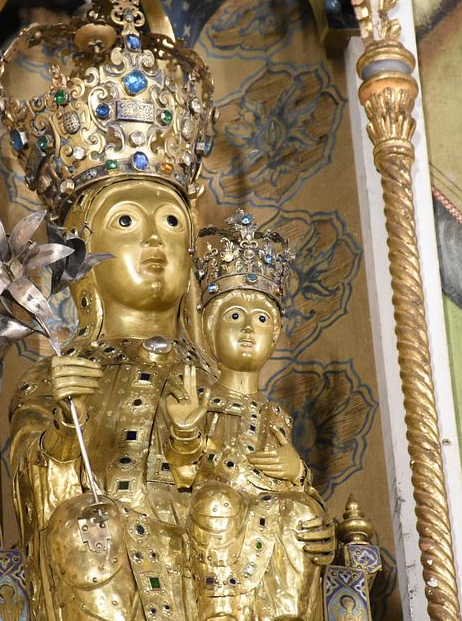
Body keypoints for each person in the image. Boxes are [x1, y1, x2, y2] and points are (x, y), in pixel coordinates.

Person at [163, 210, 335, 620]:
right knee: (216, 502)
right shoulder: (196, 396)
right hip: (213, 512)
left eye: (260, 319)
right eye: (234, 316)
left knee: (303, 513)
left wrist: (298, 472)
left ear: (274, 336)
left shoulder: (276, 414)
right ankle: (218, 611)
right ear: (209, 329)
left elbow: (293, 486)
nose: (247, 330)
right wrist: (185, 434)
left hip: (268, 512)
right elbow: (177, 476)